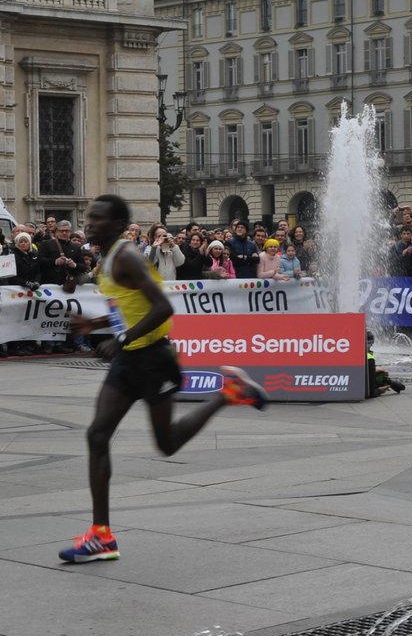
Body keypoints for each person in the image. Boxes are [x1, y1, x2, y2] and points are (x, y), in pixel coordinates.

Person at [57, 194, 269, 564]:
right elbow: (128, 307)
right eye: (88, 217)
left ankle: (228, 393)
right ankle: (101, 536)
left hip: (153, 359)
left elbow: (162, 307)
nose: (89, 223)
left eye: (98, 218)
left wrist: (121, 337)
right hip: (130, 359)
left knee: (166, 444)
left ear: (119, 226)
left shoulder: (126, 256)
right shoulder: (108, 258)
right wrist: (98, 324)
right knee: (97, 434)